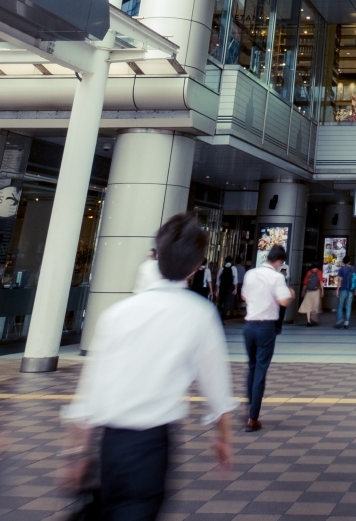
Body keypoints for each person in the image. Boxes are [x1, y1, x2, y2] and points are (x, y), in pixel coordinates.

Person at [64, 214, 236, 521]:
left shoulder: (117, 314)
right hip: (152, 447)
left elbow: (89, 392)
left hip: (110, 446)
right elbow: (217, 390)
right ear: (197, 267)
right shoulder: (199, 314)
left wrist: (76, 454)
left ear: (157, 256)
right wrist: (222, 438)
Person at [239, 245, 293, 430]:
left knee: (252, 367)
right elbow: (284, 300)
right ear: (279, 261)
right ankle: (253, 419)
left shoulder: (250, 274)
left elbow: (244, 297)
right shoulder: (277, 277)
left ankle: (248, 410)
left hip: (249, 326)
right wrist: (291, 293)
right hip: (266, 327)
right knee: (260, 371)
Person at [334, 260, 356, 330]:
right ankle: (346, 322)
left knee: (340, 305)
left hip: (343, 289)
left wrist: (337, 289)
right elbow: (355, 280)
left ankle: (339, 320)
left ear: (343, 262)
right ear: (349, 262)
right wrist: (355, 289)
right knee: (348, 306)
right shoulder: (353, 269)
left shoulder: (341, 269)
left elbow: (340, 280)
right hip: (351, 290)